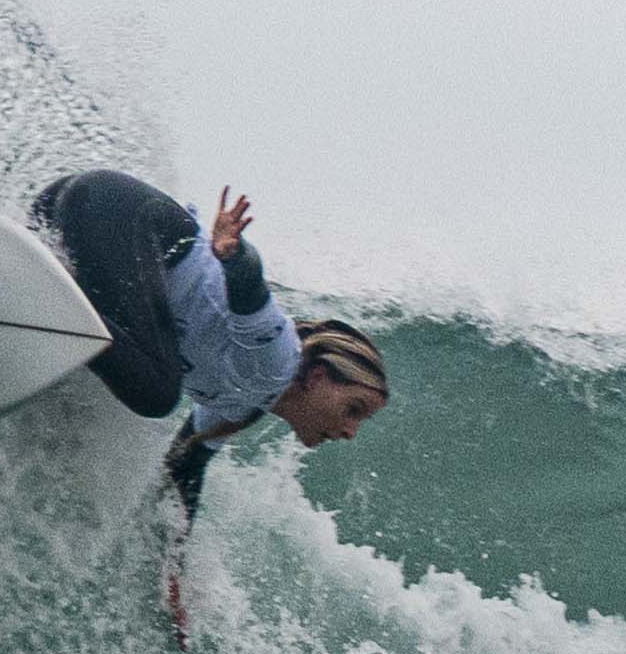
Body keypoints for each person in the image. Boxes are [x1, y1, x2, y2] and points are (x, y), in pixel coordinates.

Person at [28, 166, 391, 534]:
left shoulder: (246, 404)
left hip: (73, 212)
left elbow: (185, 468)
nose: (350, 431)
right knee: (156, 392)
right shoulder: (277, 359)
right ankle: (43, 299)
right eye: (354, 409)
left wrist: (173, 570)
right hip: (114, 211)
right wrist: (234, 255)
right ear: (317, 377)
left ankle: (34, 298)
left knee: (142, 384)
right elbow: (251, 291)